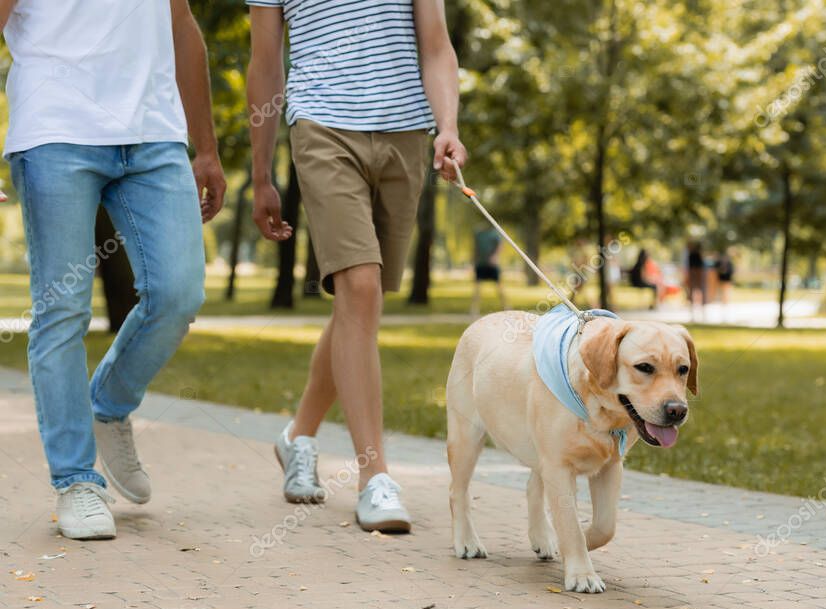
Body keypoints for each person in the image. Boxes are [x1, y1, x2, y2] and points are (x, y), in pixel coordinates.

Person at [0, 0, 226, 540]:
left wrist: (208, 148)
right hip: (55, 127)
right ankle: (76, 479)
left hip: (154, 129)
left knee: (179, 293)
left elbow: (181, 23)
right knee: (63, 309)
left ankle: (109, 406)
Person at [247, 0, 467, 532]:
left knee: (359, 305)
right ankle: (375, 478)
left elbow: (435, 45)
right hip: (321, 126)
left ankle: (298, 436)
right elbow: (266, 63)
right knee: (360, 288)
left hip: (407, 135)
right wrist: (260, 174)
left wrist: (448, 126)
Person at [471, 226, 506, 316]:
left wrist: (494, 257)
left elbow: (500, 245)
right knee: (477, 288)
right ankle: (474, 309)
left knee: (499, 287)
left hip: (492, 265)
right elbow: (476, 248)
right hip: (481, 264)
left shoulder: (495, 233)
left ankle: (506, 308)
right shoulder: (478, 234)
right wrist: (474, 260)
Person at [686, 240, 707, 317]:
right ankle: (696, 311)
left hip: (696, 275)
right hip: (695, 275)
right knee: (696, 292)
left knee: (697, 292)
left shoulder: (693, 255)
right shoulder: (694, 255)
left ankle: (699, 310)